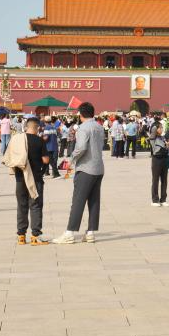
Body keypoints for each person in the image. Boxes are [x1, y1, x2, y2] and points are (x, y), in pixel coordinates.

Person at [53, 103, 105, 244]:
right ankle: (90, 232)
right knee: (94, 201)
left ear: (81, 114)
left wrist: (71, 160)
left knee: (78, 201)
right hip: (98, 168)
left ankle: (70, 232)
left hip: (86, 168)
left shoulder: (83, 128)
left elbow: (81, 147)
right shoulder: (100, 127)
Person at [7, 116, 48, 245]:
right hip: (35, 177)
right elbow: (46, 160)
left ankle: (21, 236)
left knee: (21, 206)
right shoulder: (39, 141)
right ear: (36, 128)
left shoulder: (16, 139)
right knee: (35, 205)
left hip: (19, 178)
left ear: (26, 127)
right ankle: (35, 236)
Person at [149, 122, 169, 206]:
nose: (162, 129)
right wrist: (155, 125)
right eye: (160, 128)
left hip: (165, 158)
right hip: (157, 159)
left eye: (162, 127)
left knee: (164, 180)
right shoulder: (153, 137)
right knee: (155, 180)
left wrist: (167, 145)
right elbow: (153, 131)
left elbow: (164, 146)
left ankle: (163, 199)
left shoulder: (162, 137)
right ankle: (155, 200)